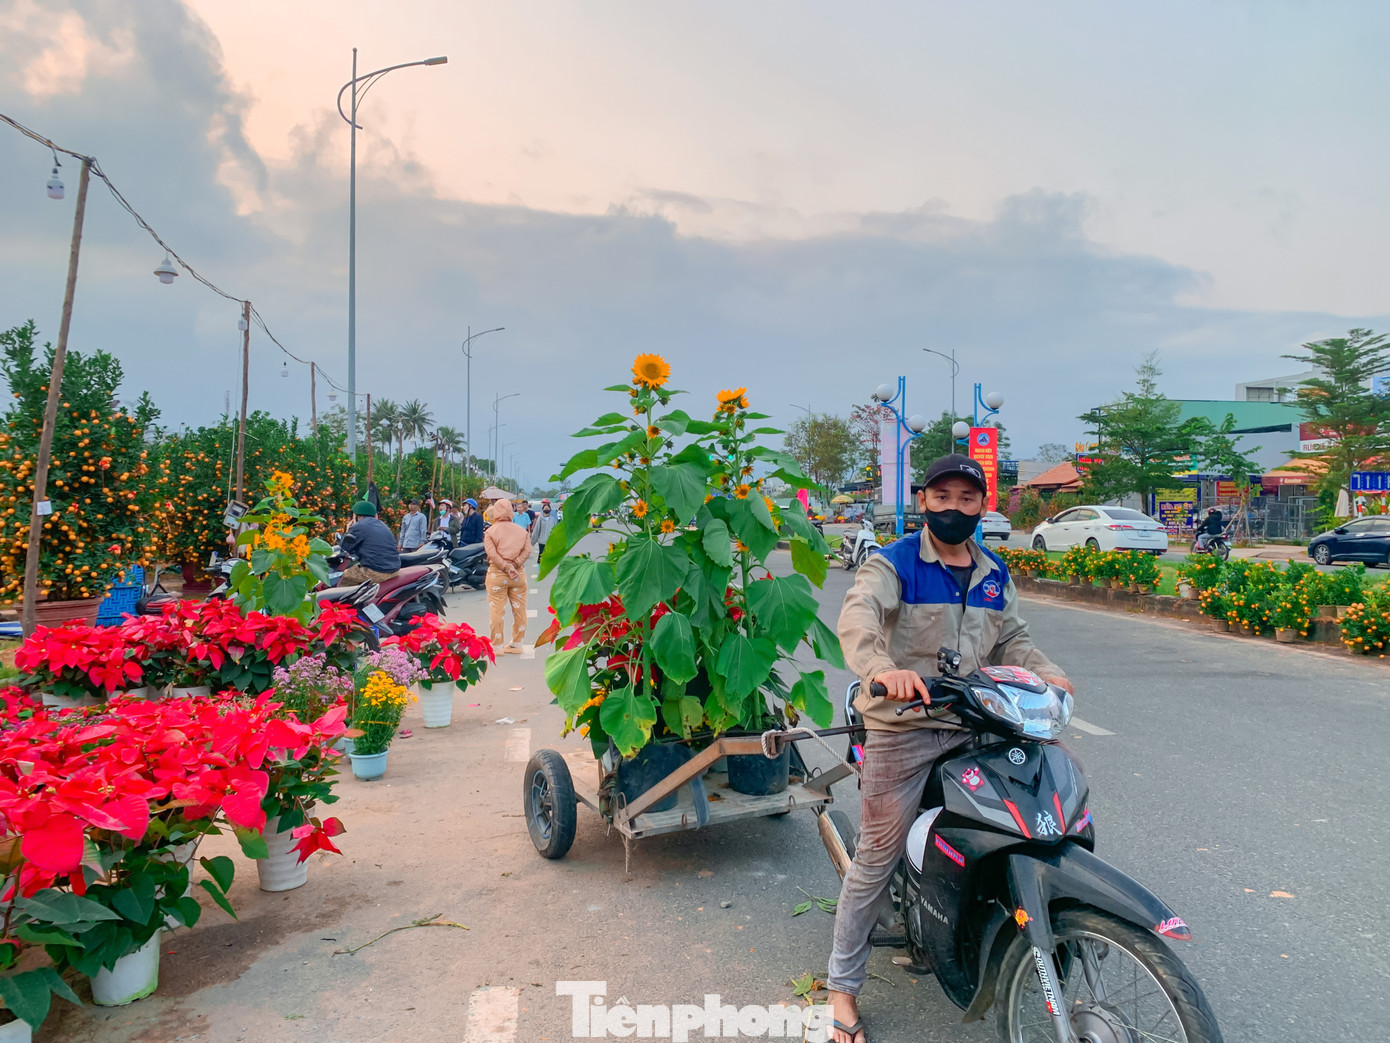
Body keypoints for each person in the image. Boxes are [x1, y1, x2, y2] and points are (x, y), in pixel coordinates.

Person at [828, 453, 1072, 1043]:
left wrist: (1048, 674)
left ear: (981, 506)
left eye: (967, 499)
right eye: (943, 498)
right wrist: (883, 668)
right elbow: (860, 617)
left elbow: (1013, 640)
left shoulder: (993, 573)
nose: (955, 509)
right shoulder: (896, 564)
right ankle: (840, 988)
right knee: (878, 854)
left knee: (1027, 819)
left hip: (976, 723)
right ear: (924, 501)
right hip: (903, 726)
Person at [483, 499, 530, 654]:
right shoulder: (522, 532)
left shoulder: (490, 532)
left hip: (497, 575)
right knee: (520, 609)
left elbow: (492, 554)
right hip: (518, 576)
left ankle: (496, 645)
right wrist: (514, 565)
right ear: (511, 511)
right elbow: (527, 551)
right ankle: (517, 644)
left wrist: (506, 567)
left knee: (497, 610)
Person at [338, 501, 401, 586]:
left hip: (377, 571)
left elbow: (344, 546)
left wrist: (348, 530)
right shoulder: (382, 524)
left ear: (357, 515)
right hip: (394, 569)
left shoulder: (359, 526)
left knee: (345, 577)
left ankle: (344, 599)